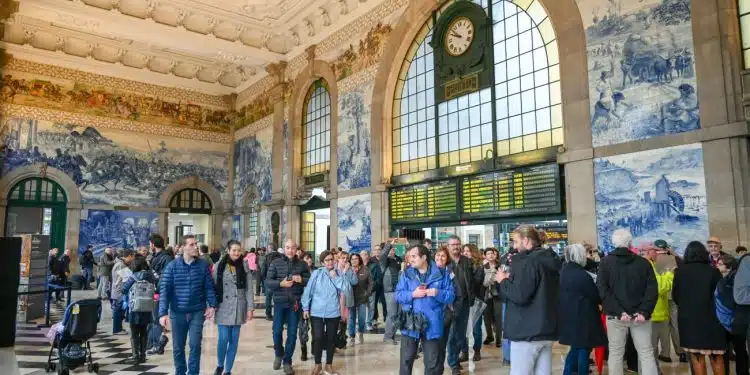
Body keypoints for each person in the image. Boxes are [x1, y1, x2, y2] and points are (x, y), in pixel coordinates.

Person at [495, 225, 562, 375]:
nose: (514, 246)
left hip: (526, 331)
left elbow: (520, 295)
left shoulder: (527, 262)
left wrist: (503, 281)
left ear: (526, 241)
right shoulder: (550, 260)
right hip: (546, 330)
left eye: (516, 241)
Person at [596, 229, 658, 375]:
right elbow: (652, 290)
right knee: (646, 353)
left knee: (616, 353)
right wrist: (644, 311)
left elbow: (603, 290)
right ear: (630, 243)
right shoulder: (643, 263)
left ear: (613, 243)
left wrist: (619, 311)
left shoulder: (605, 263)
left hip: (616, 316)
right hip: (640, 317)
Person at [158, 234, 217, 375]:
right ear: (183, 247)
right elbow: (164, 291)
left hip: (197, 311)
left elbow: (209, 287)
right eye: (191, 244)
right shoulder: (172, 266)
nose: (195, 247)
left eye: (196, 244)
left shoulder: (202, 265)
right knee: (178, 347)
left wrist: (212, 305)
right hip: (177, 312)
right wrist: (163, 313)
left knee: (195, 346)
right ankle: (180, 372)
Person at [396, 245, 455, 375]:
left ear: (424, 257)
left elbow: (451, 296)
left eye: (414, 256)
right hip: (410, 322)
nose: (411, 259)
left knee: (432, 363)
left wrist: (437, 292)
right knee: (406, 360)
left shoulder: (442, 274)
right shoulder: (406, 273)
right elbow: (398, 295)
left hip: (432, 323)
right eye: (410, 256)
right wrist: (412, 294)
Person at [673, 241, 727, 375]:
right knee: (716, 356)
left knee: (697, 357)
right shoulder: (713, 272)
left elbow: (675, 296)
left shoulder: (680, 272)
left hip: (690, 321)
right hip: (713, 320)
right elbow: (721, 295)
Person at [301, 250, 354, 375]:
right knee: (318, 337)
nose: (330, 262)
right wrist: (305, 308)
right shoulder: (316, 273)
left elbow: (346, 289)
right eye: (327, 260)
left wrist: (335, 277)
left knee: (331, 339)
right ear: (322, 262)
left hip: (333, 312)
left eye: (331, 259)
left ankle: (328, 365)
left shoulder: (339, 273)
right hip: (317, 312)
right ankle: (317, 364)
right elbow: (308, 291)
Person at [558, 244, 607, 375]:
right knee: (584, 350)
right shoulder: (582, 275)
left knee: (575, 348)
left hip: (569, 316)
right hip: (584, 317)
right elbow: (594, 295)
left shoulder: (564, 271)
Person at [266, 239, 311, 375]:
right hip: (280, 302)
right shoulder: (275, 263)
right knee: (277, 331)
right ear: (284, 249)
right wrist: (281, 284)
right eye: (287, 248)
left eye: (292, 248)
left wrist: (302, 280)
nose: (290, 250)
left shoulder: (302, 265)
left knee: (292, 333)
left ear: (296, 249)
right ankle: (279, 353)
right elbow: (268, 282)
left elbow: (310, 282)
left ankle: (287, 361)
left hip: (295, 304)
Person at [212, 240, 254, 375]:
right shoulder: (219, 265)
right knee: (223, 338)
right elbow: (213, 287)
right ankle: (220, 364)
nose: (236, 253)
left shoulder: (244, 265)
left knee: (234, 340)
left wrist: (250, 308)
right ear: (228, 251)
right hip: (223, 306)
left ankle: (228, 369)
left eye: (238, 250)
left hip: (238, 306)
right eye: (234, 250)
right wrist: (211, 306)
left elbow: (249, 289)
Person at [640, 242, 675, 368]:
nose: (661, 255)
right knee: (651, 346)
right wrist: (669, 274)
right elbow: (660, 287)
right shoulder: (648, 265)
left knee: (653, 345)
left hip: (656, 311)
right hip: (654, 312)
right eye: (657, 252)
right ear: (650, 252)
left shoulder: (650, 264)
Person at [446, 235, 475, 375]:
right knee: (452, 334)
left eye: (458, 244)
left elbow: (473, 280)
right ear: (448, 246)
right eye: (453, 244)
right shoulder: (444, 262)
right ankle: (453, 363)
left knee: (460, 334)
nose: (456, 247)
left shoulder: (467, 261)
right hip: (450, 304)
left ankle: (455, 359)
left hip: (464, 302)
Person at [654, 239, 688, 363]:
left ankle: (665, 353)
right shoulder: (675, 260)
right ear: (667, 248)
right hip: (673, 295)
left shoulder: (652, 260)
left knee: (663, 326)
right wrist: (674, 254)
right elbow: (684, 269)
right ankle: (681, 352)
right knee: (675, 325)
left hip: (659, 297)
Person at [715, 255, 749, 375]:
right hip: (728, 319)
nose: (717, 265)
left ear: (728, 266)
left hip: (734, 319)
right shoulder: (722, 279)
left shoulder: (733, 280)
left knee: (739, 349)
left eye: (720, 264)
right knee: (730, 350)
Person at [120, 257, 156, 364]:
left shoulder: (133, 276)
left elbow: (124, 289)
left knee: (134, 332)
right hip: (147, 307)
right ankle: (143, 356)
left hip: (135, 308)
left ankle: (135, 356)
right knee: (144, 332)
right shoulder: (151, 276)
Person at [147, 234, 173, 355]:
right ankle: (152, 343)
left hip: (160, 292)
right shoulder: (155, 256)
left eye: (150, 243)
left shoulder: (166, 258)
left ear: (153, 244)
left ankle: (157, 344)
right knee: (153, 319)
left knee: (157, 320)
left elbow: (166, 277)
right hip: (154, 291)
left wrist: (158, 289)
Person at [460, 244, 485, 361]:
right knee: (463, 329)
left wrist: (468, 271)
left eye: (468, 251)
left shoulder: (479, 267)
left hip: (476, 300)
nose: (465, 253)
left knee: (476, 329)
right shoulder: (460, 266)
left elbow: (477, 283)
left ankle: (477, 350)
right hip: (463, 300)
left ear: (474, 253)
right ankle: (464, 351)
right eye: (464, 251)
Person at [434, 246, 454, 374]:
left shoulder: (449, 273)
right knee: (432, 346)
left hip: (445, 314)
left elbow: (450, 295)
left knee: (441, 345)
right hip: (430, 314)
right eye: (438, 255)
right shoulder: (428, 271)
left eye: (443, 256)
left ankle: (439, 369)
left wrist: (437, 293)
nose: (440, 258)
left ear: (447, 259)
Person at [346, 253, 372, 346]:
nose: (354, 260)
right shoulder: (348, 270)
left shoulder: (365, 269)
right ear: (350, 260)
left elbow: (370, 283)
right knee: (351, 318)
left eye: (356, 258)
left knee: (361, 319)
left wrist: (367, 293)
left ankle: (360, 333)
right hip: (351, 298)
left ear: (359, 259)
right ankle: (352, 337)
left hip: (362, 298)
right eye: (352, 259)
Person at [381, 244, 403, 345]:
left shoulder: (398, 259)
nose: (392, 250)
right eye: (390, 249)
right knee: (392, 314)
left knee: (398, 314)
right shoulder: (384, 261)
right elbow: (383, 255)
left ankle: (392, 335)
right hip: (390, 291)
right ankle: (388, 337)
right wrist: (389, 245)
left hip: (399, 290)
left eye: (393, 248)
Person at [481, 248, 503, 348]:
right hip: (486, 295)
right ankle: (489, 336)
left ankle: (498, 338)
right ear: (485, 255)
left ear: (496, 255)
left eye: (492, 253)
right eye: (488, 253)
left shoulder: (501, 266)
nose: (490, 255)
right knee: (486, 317)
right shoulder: (482, 267)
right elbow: (482, 282)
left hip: (498, 295)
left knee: (498, 317)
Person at [112, 249, 136, 336]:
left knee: (120, 310)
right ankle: (117, 329)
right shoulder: (120, 265)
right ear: (129, 256)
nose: (133, 258)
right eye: (133, 256)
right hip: (119, 291)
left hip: (120, 291)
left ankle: (119, 328)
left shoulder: (122, 264)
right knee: (118, 310)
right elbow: (127, 277)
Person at [299, 252, 316, 362]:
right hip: (302, 304)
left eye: (310, 258)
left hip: (315, 303)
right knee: (303, 328)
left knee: (315, 328)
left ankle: (314, 349)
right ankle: (303, 350)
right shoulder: (299, 271)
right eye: (306, 258)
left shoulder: (316, 271)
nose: (309, 260)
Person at [364, 248, 383, 331]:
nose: (364, 256)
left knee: (371, 307)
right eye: (362, 255)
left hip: (371, 290)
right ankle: (364, 323)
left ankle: (369, 322)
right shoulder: (358, 266)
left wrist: (371, 289)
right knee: (362, 308)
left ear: (369, 256)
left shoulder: (374, 265)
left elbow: (377, 279)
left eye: (365, 255)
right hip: (360, 290)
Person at [263, 245, 283, 320]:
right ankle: (279, 315)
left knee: (268, 298)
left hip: (269, 280)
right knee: (279, 298)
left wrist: (265, 278)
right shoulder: (281, 257)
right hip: (279, 281)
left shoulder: (267, 257)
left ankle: (268, 315)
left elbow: (263, 269)